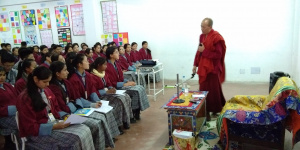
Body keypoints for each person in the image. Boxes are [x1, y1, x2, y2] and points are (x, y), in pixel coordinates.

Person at [16, 66, 94, 150]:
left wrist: (65, 117)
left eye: (49, 81)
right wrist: (54, 126)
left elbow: (55, 108)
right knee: (74, 138)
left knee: (84, 129)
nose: (48, 85)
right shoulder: (25, 98)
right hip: (37, 133)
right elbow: (30, 127)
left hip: (52, 121)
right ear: (35, 79)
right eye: (45, 82)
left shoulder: (46, 90)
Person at [48, 61, 115, 149]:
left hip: (76, 109)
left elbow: (76, 97)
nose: (67, 72)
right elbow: (61, 107)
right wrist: (73, 105)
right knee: (93, 124)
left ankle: (102, 143)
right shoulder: (53, 87)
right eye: (65, 70)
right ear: (57, 73)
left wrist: (93, 104)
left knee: (101, 118)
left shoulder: (67, 82)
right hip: (66, 114)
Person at [67, 53, 121, 139]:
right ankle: (106, 138)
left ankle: (111, 135)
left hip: (90, 101)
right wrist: (92, 105)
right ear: (79, 64)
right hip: (82, 105)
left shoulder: (87, 75)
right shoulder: (73, 79)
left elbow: (92, 90)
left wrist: (97, 101)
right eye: (86, 61)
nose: (88, 62)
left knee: (107, 111)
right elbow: (77, 97)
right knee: (100, 118)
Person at [193, 18, 226, 121]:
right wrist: (195, 64)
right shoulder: (202, 36)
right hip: (204, 67)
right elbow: (199, 51)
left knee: (214, 90)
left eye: (203, 26)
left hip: (213, 68)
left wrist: (205, 51)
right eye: (201, 26)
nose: (201, 28)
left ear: (210, 27)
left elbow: (218, 55)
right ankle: (205, 110)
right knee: (203, 89)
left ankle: (215, 109)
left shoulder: (217, 37)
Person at [106, 46, 150, 120]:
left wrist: (127, 81)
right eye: (116, 52)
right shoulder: (107, 66)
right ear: (111, 55)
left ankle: (137, 110)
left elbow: (121, 77)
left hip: (121, 84)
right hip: (116, 87)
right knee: (135, 91)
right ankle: (132, 113)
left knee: (140, 88)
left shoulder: (116, 63)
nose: (118, 54)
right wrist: (124, 84)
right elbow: (110, 82)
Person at [90, 57, 134, 129]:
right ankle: (119, 123)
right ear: (99, 65)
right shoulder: (92, 76)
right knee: (119, 101)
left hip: (108, 92)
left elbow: (109, 84)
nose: (106, 66)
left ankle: (127, 119)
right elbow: (93, 92)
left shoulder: (104, 73)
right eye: (104, 65)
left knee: (126, 96)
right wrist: (106, 91)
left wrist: (111, 88)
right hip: (100, 96)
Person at [0, 66, 18, 149]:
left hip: (15, 113)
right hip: (3, 117)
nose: (2, 77)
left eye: (3, 75)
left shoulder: (7, 85)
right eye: (0, 75)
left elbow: (17, 97)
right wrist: (9, 110)